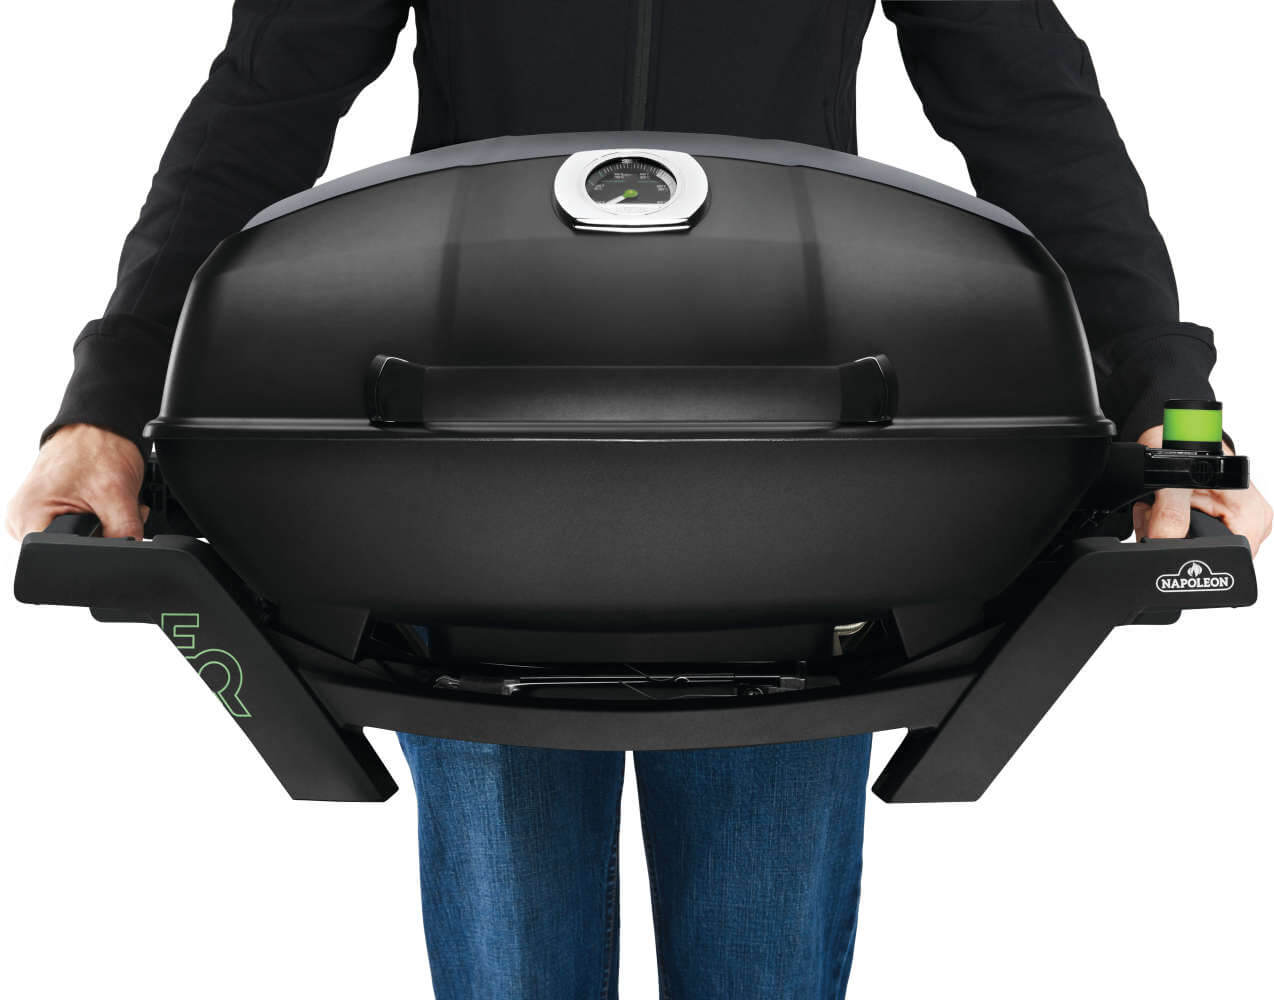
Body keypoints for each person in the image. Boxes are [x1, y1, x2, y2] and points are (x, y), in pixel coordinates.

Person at [6, 2, 1270, 997]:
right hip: (471, 480)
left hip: (793, 495)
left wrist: (1169, 401)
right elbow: (267, 96)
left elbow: (1026, 101)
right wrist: (107, 401)